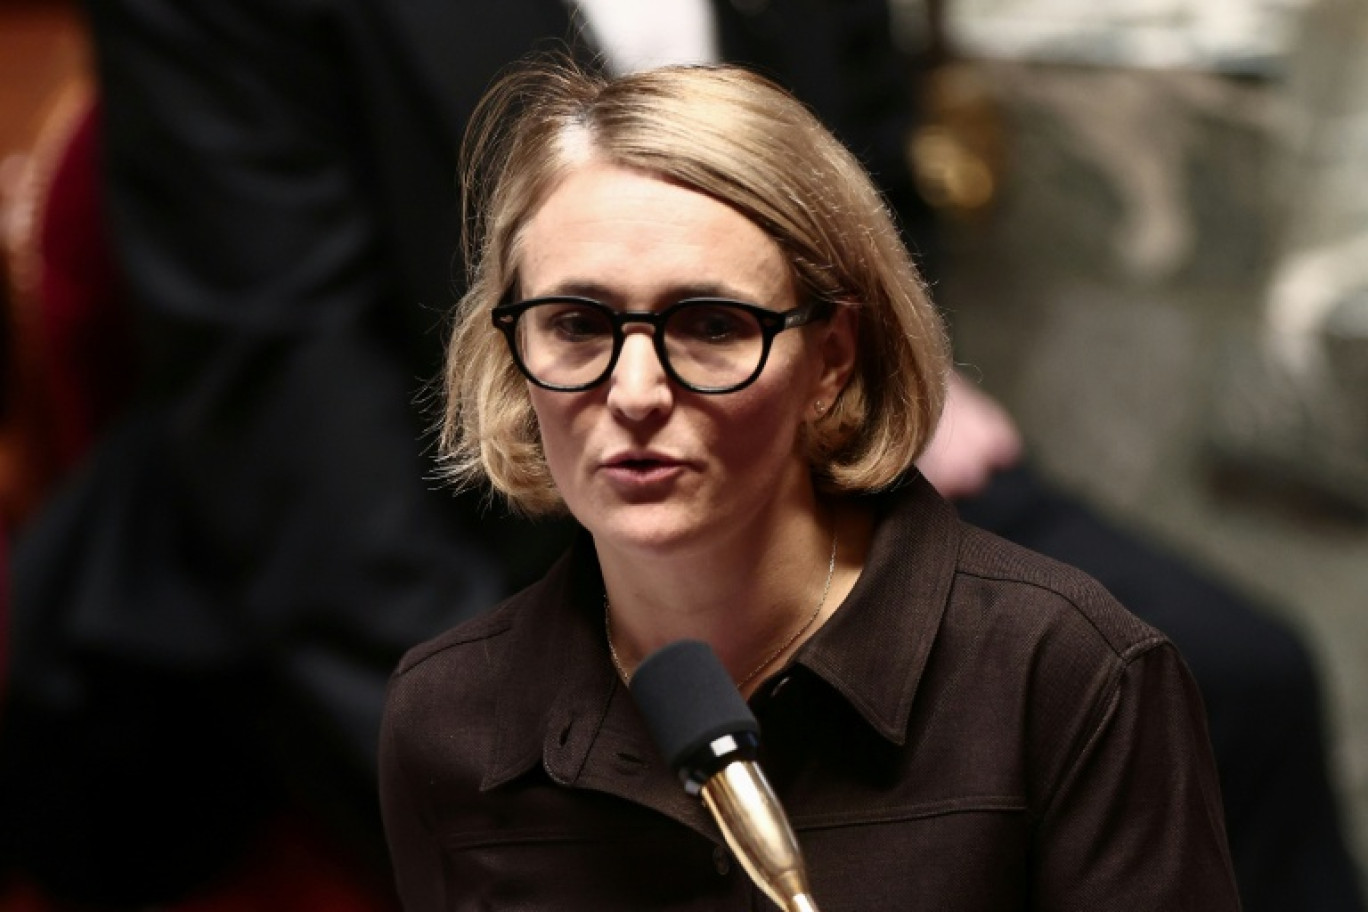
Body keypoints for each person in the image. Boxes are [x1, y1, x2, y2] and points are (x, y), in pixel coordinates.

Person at [378, 58, 1240, 910]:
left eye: (711, 325)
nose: (634, 392)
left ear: (831, 359)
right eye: (573, 323)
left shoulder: (1067, 676)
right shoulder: (451, 716)